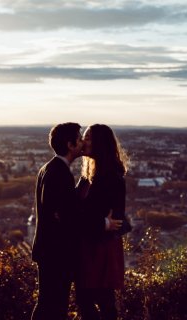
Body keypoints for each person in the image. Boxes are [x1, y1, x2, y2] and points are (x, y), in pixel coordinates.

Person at [31, 122, 122, 320]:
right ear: (70, 145)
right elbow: (65, 215)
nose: (82, 143)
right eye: (80, 138)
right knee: (52, 305)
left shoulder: (51, 169)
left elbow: (64, 212)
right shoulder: (59, 173)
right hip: (55, 253)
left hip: (55, 252)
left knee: (50, 304)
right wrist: (103, 224)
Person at [75, 124, 131, 320]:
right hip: (90, 243)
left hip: (99, 245)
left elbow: (112, 218)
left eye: (88, 138)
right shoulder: (87, 177)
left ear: (100, 143)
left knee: (99, 299)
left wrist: (99, 222)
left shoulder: (110, 177)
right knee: (90, 299)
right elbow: (79, 210)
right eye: (83, 137)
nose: (83, 142)